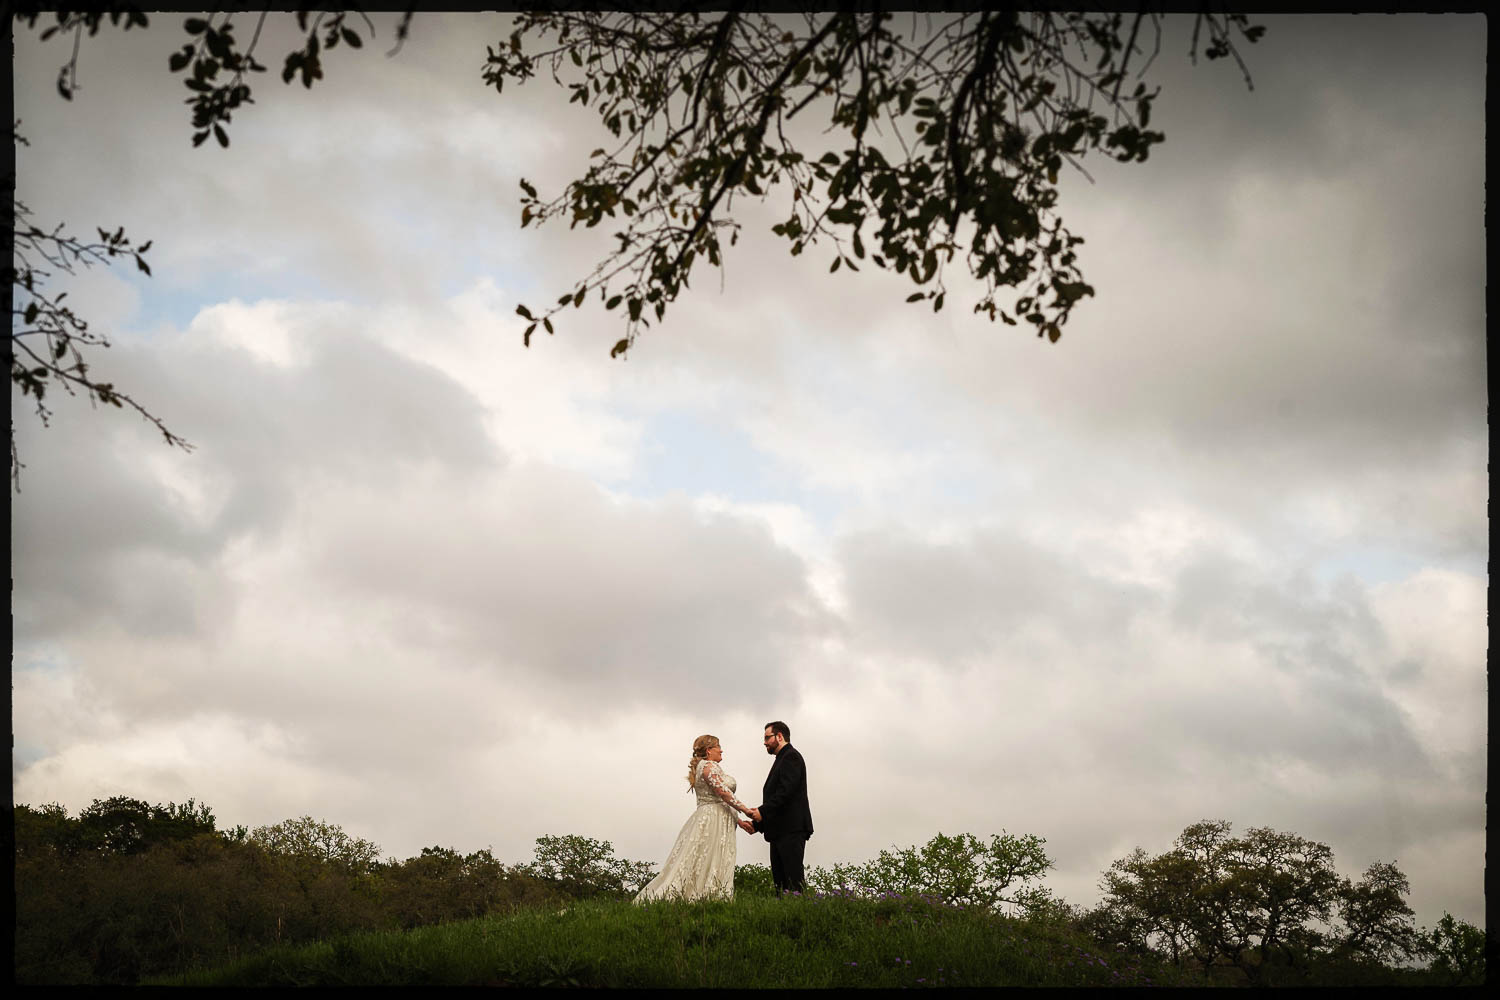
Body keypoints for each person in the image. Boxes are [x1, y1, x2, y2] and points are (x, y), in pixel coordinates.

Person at [634, 734, 757, 903]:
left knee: (710, 857)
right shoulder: (708, 766)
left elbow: (720, 799)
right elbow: (723, 793)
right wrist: (746, 810)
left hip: (719, 816)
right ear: (709, 750)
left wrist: (739, 821)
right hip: (712, 819)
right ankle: (703, 896)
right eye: (718, 746)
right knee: (707, 856)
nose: (722, 750)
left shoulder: (708, 767)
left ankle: (710, 896)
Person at [746, 720, 813, 895]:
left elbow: (785, 793)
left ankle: (798, 917)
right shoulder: (781, 759)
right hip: (780, 831)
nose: (765, 742)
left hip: (791, 829)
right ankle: (784, 918)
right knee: (781, 885)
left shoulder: (791, 757)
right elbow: (779, 800)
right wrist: (757, 825)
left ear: (780, 736)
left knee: (793, 882)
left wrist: (761, 812)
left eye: (767, 737)